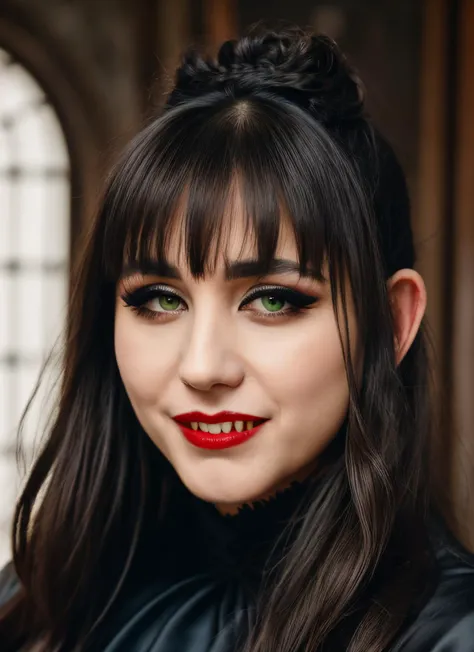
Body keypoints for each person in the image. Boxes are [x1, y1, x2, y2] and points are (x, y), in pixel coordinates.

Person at [1, 26, 474, 652]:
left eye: (273, 301)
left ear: (391, 323)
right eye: (159, 300)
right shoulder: (40, 600)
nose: (202, 366)